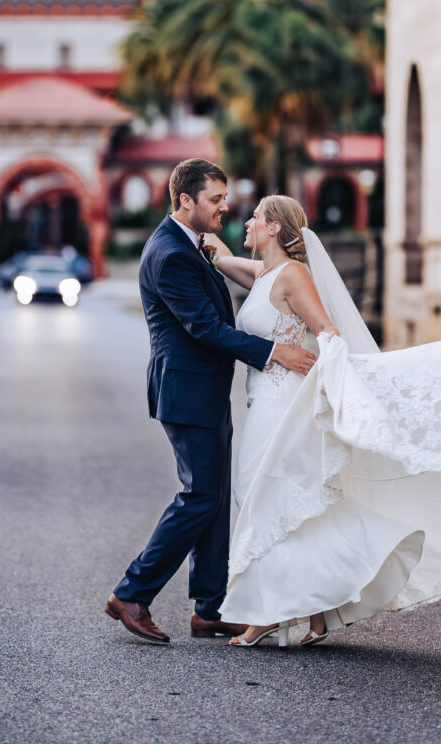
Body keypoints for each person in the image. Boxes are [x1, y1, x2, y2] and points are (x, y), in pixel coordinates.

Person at [206, 195, 441, 648]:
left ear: (273, 228)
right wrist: (211, 247)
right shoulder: (265, 273)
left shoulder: (293, 275)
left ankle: (269, 615)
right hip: (260, 397)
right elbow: (233, 266)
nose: (246, 222)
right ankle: (316, 612)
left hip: (284, 400)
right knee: (267, 496)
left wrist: (334, 384)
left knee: (267, 495)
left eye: (255, 217)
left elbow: (329, 332)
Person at [105, 161, 316, 645]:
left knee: (214, 496)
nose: (226, 205)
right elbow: (205, 328)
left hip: (203, 389)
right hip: (186, 390)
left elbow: (262, 280)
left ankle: (211, 606)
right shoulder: (170, 253)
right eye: (216, 198)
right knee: (200, 496)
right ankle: (132, 594)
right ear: (185, 200)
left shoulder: (190, 245)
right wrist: (273, 352)